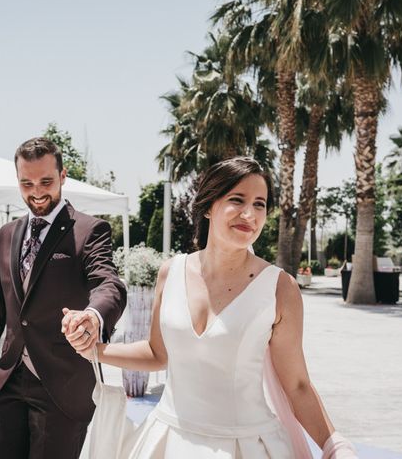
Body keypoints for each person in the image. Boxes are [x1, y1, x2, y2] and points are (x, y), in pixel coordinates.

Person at [64, 157, 356, 458]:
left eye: (259, 204)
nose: (249, 213)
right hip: (166, 440)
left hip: (247, 447)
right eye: (237, 199)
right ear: (208, 206)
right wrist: (93, 350)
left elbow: (297, 385)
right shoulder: (170, 272)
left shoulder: (280, 289)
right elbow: (157, 354)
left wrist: (334, 445)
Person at [0, 137, 127, 459]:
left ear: (63, 176)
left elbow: (109, 284)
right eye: (26, 183)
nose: (37, 191)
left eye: (46, 181)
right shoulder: (7, 235)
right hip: (9, 383)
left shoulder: (89, 230)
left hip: (62, 385)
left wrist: (93, 316)